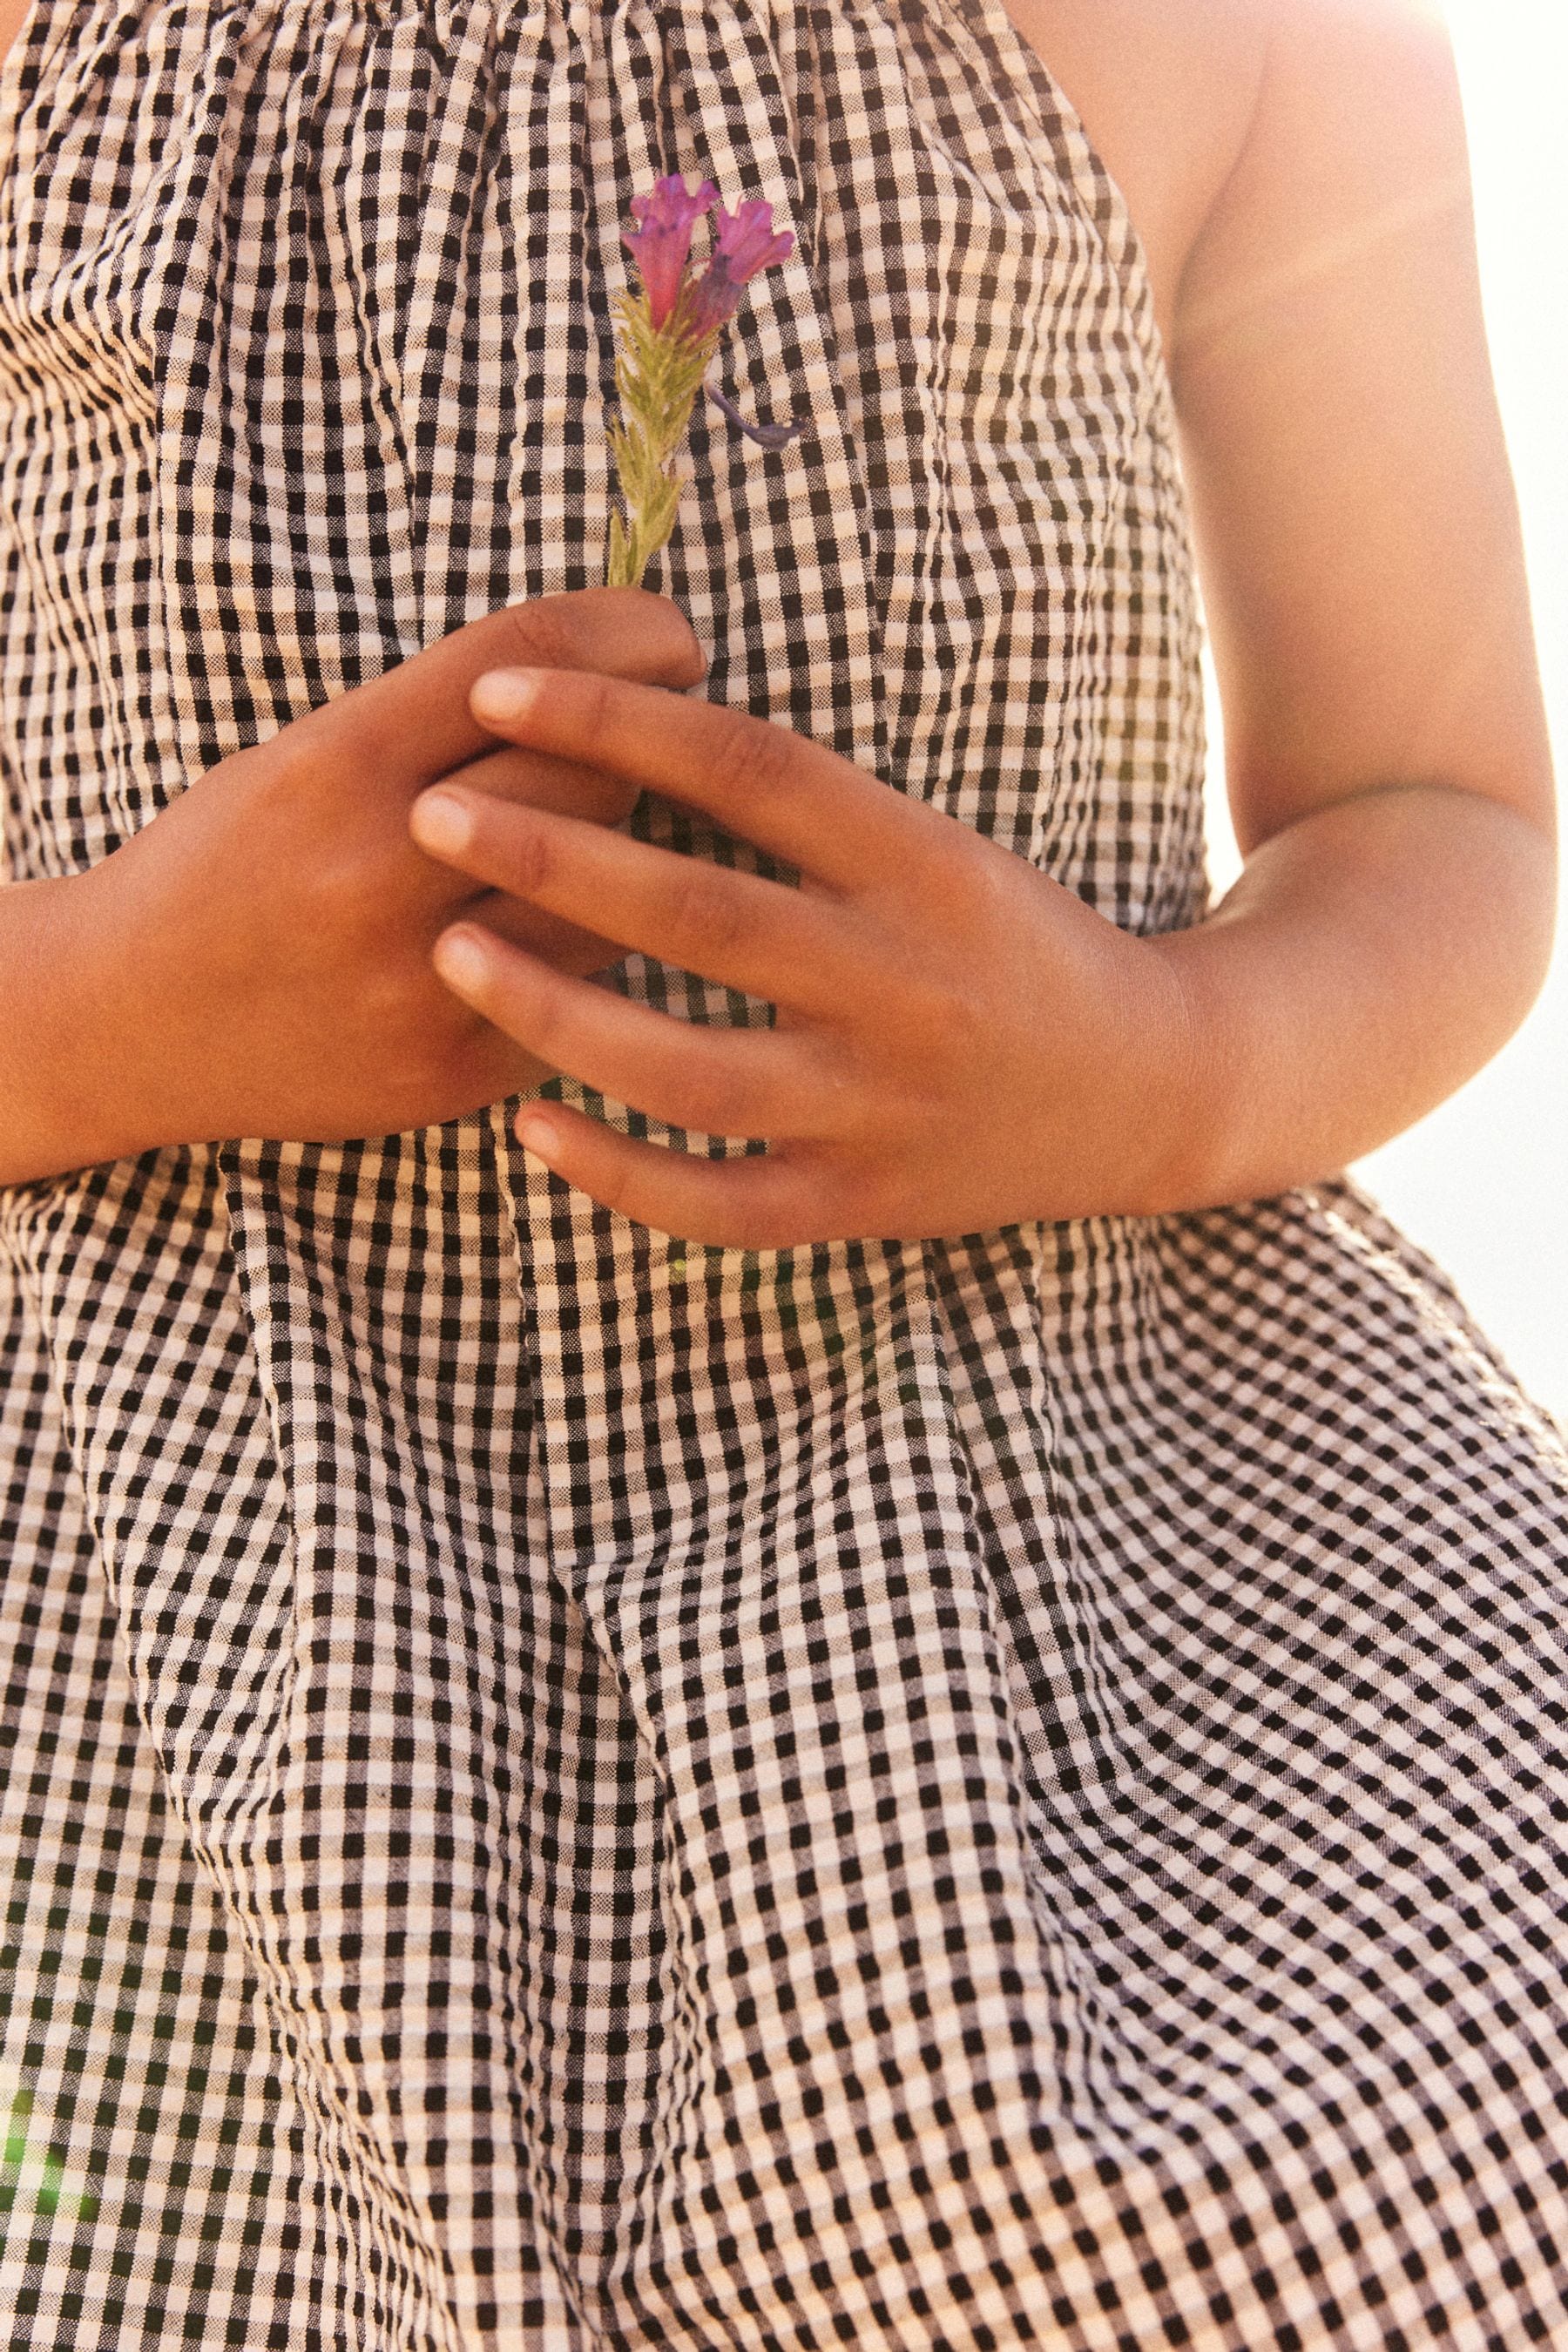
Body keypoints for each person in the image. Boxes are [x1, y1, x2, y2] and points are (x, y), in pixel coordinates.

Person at [0, 0, 1564, 2342]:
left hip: (1095, 1672)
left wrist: (1160, 1050)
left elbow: (1439, 810)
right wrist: (105, 998)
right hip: (162, 1721)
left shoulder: (1240, 33)